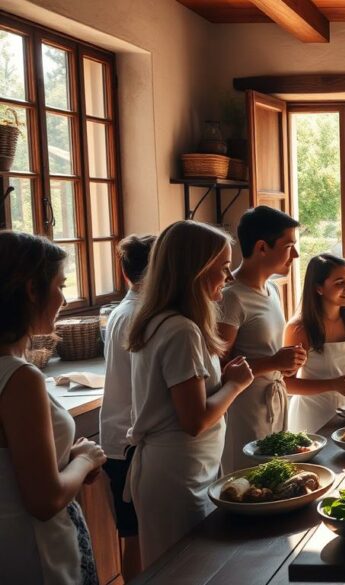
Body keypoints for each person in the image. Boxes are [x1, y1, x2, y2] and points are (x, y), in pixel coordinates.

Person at [126, 221, 254, 566]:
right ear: (197, 270)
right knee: (186, 570)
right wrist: (236, 384)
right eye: (224, 267)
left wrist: (221, 382)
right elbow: (194, 420)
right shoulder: (180, 330)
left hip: (185, 468)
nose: (228, 278)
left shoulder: (165, 322)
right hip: (177, 475)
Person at [0, 231, 106, 584]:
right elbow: (45, 500)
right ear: (32, 289)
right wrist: (85, 459)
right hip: (37, 553)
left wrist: (69, 463)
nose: (63, 297)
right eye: (60, 285)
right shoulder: (20, 378)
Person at [218, 206, 306, 472]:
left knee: (277, 476)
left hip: (275, 400)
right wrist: (273, 362)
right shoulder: (231, 297)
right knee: (249, 480)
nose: (296, 255)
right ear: (261, 247)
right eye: (289, 245)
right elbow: (219, 369)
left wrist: (287, 363)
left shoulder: (272, 290)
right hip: (245, 410)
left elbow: (268, 355)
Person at [99, 234, 154, 580]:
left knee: (135, 536)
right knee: (137, 538)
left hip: (121, 437)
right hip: (129, 441)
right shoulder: (140, 316)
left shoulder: (127, 310)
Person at [286, 255, 345, 433]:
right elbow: (286, 383)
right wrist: (332, 385)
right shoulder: (299, 328)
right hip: (313, 416)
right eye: (339, 282)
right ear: (318, 288)